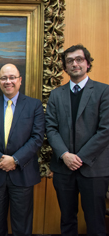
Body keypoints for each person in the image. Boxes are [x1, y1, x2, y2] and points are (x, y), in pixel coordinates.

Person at [45, 44, 109, 236]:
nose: (75, 64)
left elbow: (105, 130)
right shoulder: (56, 94)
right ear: (65, 67)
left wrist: (79, 157)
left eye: (79, 59)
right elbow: (51, 128)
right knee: (67, 220)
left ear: (87, 63)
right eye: (70, 61)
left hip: (94, 169)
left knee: (95, 223)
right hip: (63, 169)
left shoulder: (104, 91)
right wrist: (65, 155)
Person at [0, 64, 45, 236]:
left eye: (12, 77)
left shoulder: (34, 105)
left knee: (22, 226)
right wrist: (1, 160)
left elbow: (37, 138)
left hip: (22, 175)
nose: (8, 81)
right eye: (4, 78)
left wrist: (14, 160)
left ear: (20, 80)